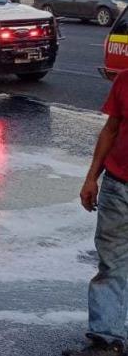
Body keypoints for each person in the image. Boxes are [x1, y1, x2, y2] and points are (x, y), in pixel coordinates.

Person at [66, 70, 128, 356]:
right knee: (112, 265)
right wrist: (92, 177)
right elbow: (111, 128)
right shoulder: (125, 79)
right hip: (118, 187)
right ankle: (106, 340)